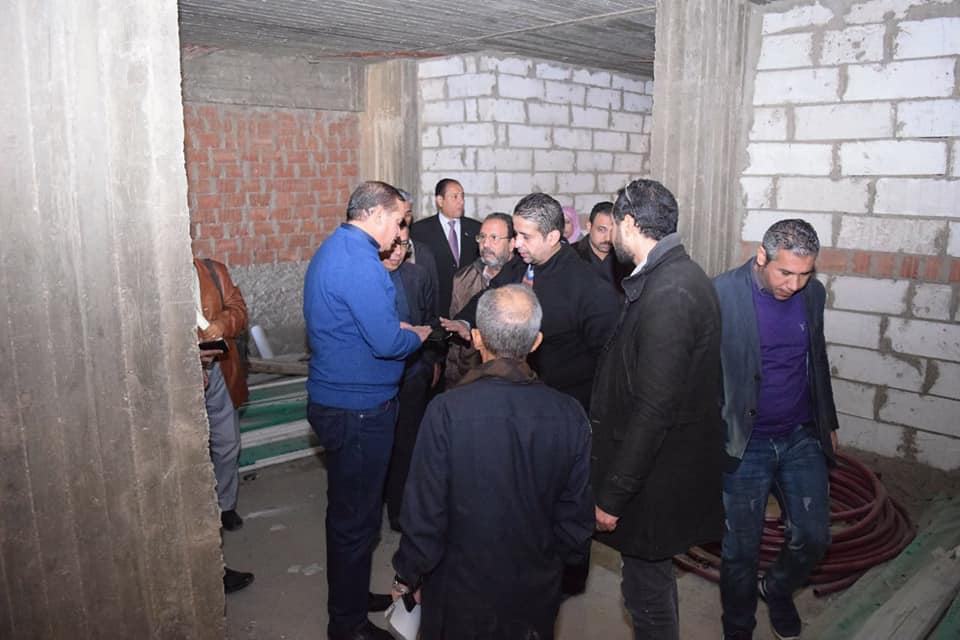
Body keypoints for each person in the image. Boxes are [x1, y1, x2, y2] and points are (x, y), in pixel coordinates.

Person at [392, 285, 594, 640]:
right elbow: (575, 518)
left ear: (476, 338)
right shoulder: (570, 414)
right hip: (535, 589)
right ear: (536, 342)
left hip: (458, 590)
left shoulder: (446, 411)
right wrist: (557, 568)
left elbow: (425, 511)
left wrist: (410, 573)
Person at [591, 179, 726, 640]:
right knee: (649, 583)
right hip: (660, 470)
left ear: (629, 223)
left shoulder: (670, 292)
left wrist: (614, 495)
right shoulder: (673, 275)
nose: (611, 235)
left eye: (615, 224)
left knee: (646, 594)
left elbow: (653, 409)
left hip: (655, 481)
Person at [303, 181, 431, 640]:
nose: (400, 234)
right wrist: (416, 334)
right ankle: (349, 625)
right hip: (356, 409)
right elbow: (387, 342)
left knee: (350, 515)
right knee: (355, 524)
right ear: (376, 214)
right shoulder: (361, 263)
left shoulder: (337, 247)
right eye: (398, 222)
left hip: (341, 401)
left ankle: (351, 599)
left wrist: (393, 329)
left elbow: (359, 326)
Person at [714, 219, 838, 640]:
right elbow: (700, 373)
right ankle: (738, 628)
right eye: (785, 272)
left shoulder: (812, 296)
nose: (794, 284)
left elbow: (817, 360)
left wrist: (828, 421)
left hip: (800, 434)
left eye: (805, 274)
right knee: (740, 550)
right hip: (744, 441)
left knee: (814, 536)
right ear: (761, 256)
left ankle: (778, 588)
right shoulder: (721, 294)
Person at [450, 192, 619, 412]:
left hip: (562, 404)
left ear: (552, 237)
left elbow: (607, 361)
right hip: (512, 394)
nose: (517, 243)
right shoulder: (519, 264)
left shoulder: (589, 287)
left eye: (525, 236)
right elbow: (489, 295)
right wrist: (465, 321)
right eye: (516, 234)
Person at [193, 259, 255, 595]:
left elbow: (239, 311)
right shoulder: (148, 279)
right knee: (191, 463)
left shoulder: (211, 271)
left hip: (216, 368)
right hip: (182, 375)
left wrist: (220, 325)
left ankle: (225, 505)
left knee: (228, 443)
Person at [381, 221, 442, 532]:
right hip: (377, 380)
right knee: (380, 446)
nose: (397, 252)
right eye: (393, 245)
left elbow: (431, 323)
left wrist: (430, 362)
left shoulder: (418, 276)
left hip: (414, 374)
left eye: (403, 245)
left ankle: (400, 510)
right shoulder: (366, 280)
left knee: (407, 445)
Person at [444, 212, 515, 387]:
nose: (486, 244)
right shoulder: (463, 278)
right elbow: (456, 344)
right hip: (468, 377)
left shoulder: (524, 278)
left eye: (494, 238)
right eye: (482, 237)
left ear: (512, 243)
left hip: (511, 378)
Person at [410, 178, 481, 318]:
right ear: (440, 201)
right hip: (435, 308)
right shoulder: (419, 231)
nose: (461, 201)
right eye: (455, 197)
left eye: (462, 196)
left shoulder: (475, 228)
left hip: (468, 308)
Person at [572, 200, 633, 292]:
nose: (608, 238)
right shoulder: (570, 255)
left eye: (612, 231)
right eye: (602, 229)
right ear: (589, 227)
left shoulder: (627, 258)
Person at [397, 188, 440, 308]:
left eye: (408, 214)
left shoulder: (424, 252)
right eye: (399, 214)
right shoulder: (379, 251)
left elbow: (433, 294)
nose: (403, 219)